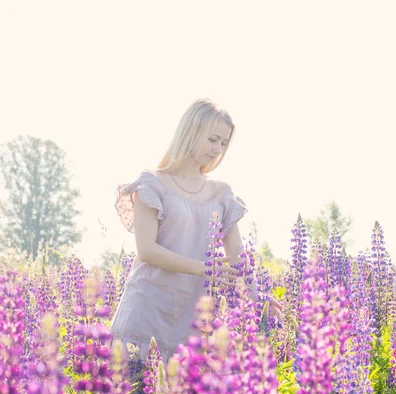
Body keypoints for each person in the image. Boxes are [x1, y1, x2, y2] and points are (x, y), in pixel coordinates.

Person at [110, 98, 282, 375]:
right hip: (146, 308)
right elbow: (146, 249)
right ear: (190, 132)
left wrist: (254, 296)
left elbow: (238, 259)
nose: (217, 149)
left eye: (223, 143)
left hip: (191, 317)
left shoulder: (221, 193)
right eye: (212, 139)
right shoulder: (152, 183)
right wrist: (206, 268)